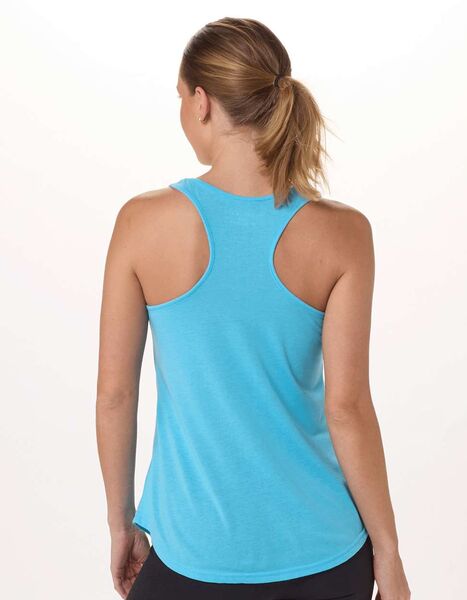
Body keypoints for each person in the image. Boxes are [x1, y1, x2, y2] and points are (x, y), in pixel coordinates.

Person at [96, 16, 411, 600]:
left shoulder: (141, 223)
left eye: (180, 98)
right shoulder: (344, 234)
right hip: (325, 557)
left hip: (190, 559)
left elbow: (116, 395)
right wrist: (388, 552)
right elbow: (347, 409)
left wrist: (121, 524)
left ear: (201, 102)